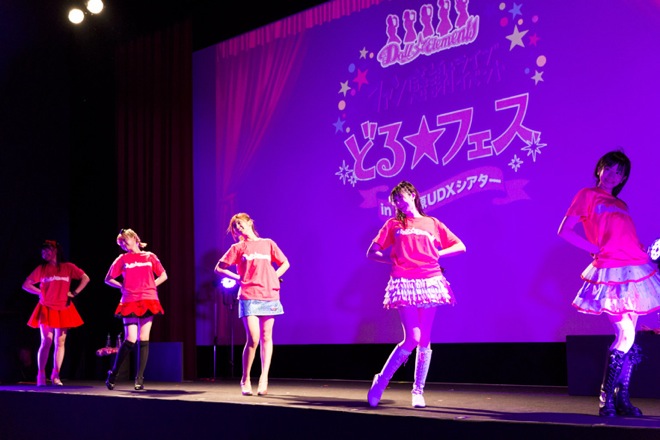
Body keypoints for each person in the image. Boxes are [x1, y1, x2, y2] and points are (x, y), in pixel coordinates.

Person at [558, 150, 660, 417]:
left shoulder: (621, 204)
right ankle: (606, 400)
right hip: (611, 270)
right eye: (609, 169)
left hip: (635, 268)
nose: (613, 175)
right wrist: (595, 249)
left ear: (624, 178)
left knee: (630, 336)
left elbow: (625, 237)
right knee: (625, 334)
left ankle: (622, 399)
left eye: (619, 172)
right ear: (599, 169)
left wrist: (644, 250)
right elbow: (565, 230)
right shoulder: (587, 195)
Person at [366, 180, 466, 408]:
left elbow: (460, 246)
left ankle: (418, 390)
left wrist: (438, 254)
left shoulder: (432, 223)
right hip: (404, 281)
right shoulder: (393, 224)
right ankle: (381, 382)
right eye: (395, 201)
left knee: (425, 338)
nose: (398, 203)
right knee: (413, 337)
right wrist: (393, 259)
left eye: (400, 198)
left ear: (412, 194)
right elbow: (372, 252)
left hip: (429, 280)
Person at [214, 213, 290, 397]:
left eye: (240, 223)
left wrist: (274, 276)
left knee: (267, 337)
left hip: (269, 294)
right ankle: (245, 378)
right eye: (235, 226)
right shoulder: (238, 247)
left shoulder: (268, 243)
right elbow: (219, 268)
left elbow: (285, 263)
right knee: (253, 338)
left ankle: (264, 378)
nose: (238, 227)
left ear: (249, 223)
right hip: (249, 295)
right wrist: (238, 278)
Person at [104, 229, 168, 391]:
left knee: (144, 338)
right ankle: (113, 373)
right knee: (130, 339)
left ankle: (139, 378)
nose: (123, 245)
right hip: (130, 300)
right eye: (120, 243)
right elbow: (108, 279)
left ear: (134, 238)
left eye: (124, 241)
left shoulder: (150, 256)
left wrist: (151, 285)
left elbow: (163, 275)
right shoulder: (122, 259)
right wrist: (122, 286)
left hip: (148, 299)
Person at [22, 240, 90, 386]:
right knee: (46, 340)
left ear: (55, 250)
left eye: (47, 250)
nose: (44, 253)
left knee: (60, 342)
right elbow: (26, 285)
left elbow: (85, 278)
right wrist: (40, 292)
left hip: (63, 307)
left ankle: (56, 374)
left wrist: (75, 292)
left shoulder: (68, 267)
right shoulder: (42, 269)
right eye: (43, 251)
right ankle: (41, 374)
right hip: (46, 307)